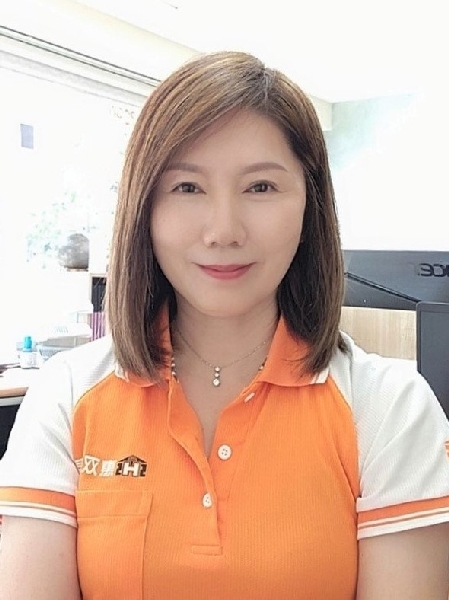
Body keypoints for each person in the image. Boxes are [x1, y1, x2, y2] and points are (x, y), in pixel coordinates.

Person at [0, 51, 448, 600]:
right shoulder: (67, 394)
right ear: (145, 208)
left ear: (309, 207)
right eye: (187, 188)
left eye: (260, 187)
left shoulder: (389, 407)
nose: (223, 230)